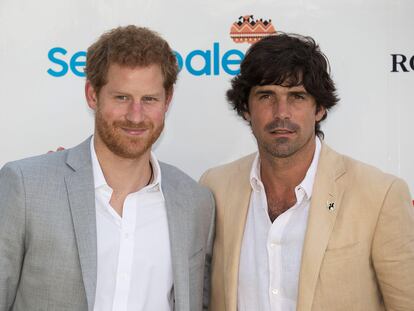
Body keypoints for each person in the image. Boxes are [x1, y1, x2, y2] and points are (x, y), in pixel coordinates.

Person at [0, 25, 214, 311]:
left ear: (168, 100)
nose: (135, 116)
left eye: (149, 99)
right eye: (121, 97)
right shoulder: (26, 187)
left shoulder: (196, 203)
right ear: (92, 95)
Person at [200, 33, 414, 311]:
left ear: (320, 108)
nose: (282, 113)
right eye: (266, 96)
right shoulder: (215, 187)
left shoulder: (379, 195)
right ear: (245, 109)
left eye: (297, 96)